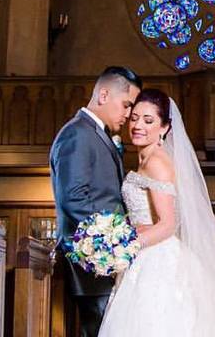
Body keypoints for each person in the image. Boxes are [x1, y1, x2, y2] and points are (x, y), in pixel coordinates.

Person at [98, 88, 215, 336]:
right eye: (134, 118)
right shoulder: (146, 160)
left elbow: (167, 224)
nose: (137, 125)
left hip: (156, 259)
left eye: (148, 120)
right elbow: (148, 218)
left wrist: (124, 245)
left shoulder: (157, 162)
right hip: (145, 255)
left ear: (164, 128)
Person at [50, 66, 142, 337]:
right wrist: (114, 244)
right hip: (91, 264)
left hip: (104, 266)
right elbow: (74, 199)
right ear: (104, 95)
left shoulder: (95, 133)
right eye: (126, 105)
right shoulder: (78, 134)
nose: (128, 115)